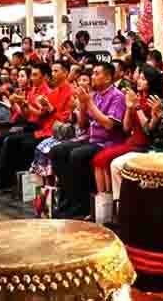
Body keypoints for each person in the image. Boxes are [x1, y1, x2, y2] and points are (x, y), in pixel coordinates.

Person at [50, 62, 126, 219]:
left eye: (97, 73)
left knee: (77, 155)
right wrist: (83, 105)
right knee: (57, 150)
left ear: (108, 78)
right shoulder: (95, 95)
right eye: (93, 73)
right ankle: (69, 200)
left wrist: (88, 103)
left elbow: (109, 125)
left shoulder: (117, 96)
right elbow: (83, 124)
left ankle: (82, 205)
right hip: (92, 139)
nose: (93, 77)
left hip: (108, 142)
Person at [109, 69, 163, 201]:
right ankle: (120, 207)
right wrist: (155, 118)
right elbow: (147, 131)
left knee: (146, 176)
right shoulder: (161, 102)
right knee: (116, 164)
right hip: (152, 151)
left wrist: (162, 118)